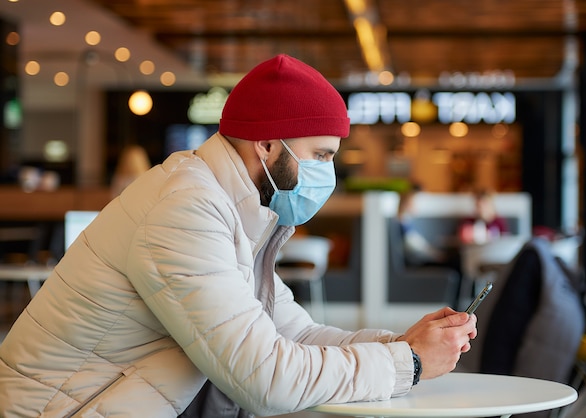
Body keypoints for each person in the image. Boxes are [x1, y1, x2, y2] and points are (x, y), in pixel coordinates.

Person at [0, 54, 477, 417]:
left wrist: (402, 343)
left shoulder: (234, 207)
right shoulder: (186, 209)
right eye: (322, 155)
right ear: (267, 145)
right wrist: (407, 363)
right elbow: (265, 378)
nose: (328, 173)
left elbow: (294, 333)